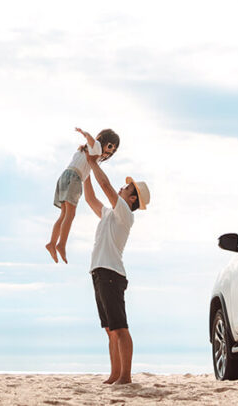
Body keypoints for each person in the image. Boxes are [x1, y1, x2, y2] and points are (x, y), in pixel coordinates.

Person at [81, 149, 150, 385]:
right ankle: (115, 375)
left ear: (132, 199)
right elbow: (90, 198)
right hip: (100, 272)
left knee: (120, 328)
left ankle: (125, 377)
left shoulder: (124, 215)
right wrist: (85, 170)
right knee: (110, 329)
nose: (122, 187)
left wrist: (92, 162)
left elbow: (106, 186)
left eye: (127, 188)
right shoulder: (110, 214)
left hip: (111, 274)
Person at [46, 127, 120, 264]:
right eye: (110, 146)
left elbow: (86, 170)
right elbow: (94, 142)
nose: (110, 150)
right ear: (103, 141)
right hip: (75, 178)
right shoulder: (96, 148)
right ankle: (61, 244)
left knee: (63, 214)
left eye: (114, 150)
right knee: (70, 214)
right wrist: (86, 134)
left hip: (64, 176)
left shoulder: (83, 151)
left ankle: (52, 243)